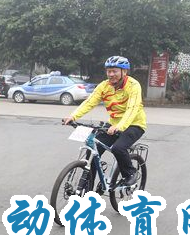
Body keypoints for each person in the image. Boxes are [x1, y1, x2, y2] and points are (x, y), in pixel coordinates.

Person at [63, 56, 147, 187]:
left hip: (134, 124)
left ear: (124, 72)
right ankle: (87, 190)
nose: (111, 74)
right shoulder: (104, 86)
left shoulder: (133, 85)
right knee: (92, 150)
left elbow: (132, 109)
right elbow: (89, 102)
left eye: (114, 71)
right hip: (113, 125)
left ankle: (130, 173)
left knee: (118, 148)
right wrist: (73, 117)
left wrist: (120, 126)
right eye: (109, 71)